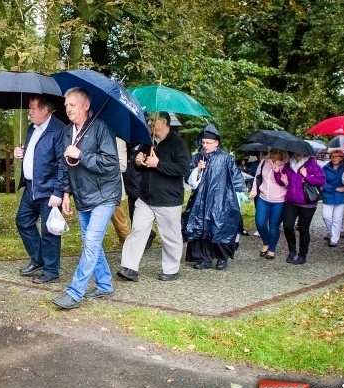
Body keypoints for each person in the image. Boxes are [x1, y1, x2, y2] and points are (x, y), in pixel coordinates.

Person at [52, 87, 121, 309]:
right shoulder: (67, 131)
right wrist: (66, 193)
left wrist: (80, 154)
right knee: (91, 242)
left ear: (86, 106)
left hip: (105, 195)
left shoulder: (101, 128)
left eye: (72, 105)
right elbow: (65, 166)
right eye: (66, 105)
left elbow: (111, 163)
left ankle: (74, 292)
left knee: (91, 242)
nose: (68, 109)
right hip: (82, 194)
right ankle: (104, 284)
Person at [117, 111, 190, 282]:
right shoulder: (148, 141)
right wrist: (138, 162)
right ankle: (129, 267)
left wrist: (158, 164)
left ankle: (171, 269)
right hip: (145, 198)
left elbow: (183, 169)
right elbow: (140, 164)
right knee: (137, 231)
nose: (149, 123)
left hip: (168, 199)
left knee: (170, 236)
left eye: (152, 120)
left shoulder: (177, 144)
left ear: (163, 122)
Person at [13, 96, 65, 284]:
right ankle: (39, 259)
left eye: (32, 108)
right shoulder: (32, 128)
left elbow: (62, 164)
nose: (29, 112)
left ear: (45, 110)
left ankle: (51, 271)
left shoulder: (58, 130)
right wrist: (21, 153)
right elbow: (36, 154)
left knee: (50, 230)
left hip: (49, 189)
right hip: (31, 186)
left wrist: (58, 192)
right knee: (23, 221)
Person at [182, 124, 246, 271]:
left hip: (221, 200)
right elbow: (190, 181)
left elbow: (235, 178)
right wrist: (198, 169)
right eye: (203, 143)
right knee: (201, 228)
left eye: (208, 143)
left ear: (216, 142)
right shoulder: (198, 158)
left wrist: (238, 195)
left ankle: (222, 258)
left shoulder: (226, 158)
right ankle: (204, 258)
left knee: (219, 227)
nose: (205, 146)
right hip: (200, 201)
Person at [281, 150, 326, 265]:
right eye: (296, 151)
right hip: (291, 200)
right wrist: (279, 176)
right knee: (287, 226)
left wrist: (306, 175)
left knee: (303, 229)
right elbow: (281, 180)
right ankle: (292, 251)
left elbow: (321, 181)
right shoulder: (288, 164)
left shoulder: (312, 165)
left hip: (307, 203)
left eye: (300, 152)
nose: (298, 153)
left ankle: (302, 255)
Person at [249, 148, 288, 260]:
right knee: (260, 223)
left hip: (279, 200)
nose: (274, 155)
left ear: (282, 154)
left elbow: (287, 183)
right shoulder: (263, 162)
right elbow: (257, 177)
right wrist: (254, 190)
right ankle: (266, 242)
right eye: (273, 152)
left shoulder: (286, 165)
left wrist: (277, 172)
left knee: (274, 226)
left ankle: (271, 249)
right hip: (263, 198)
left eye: (278, 153)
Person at [320, 149, 344, 248]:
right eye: (332, 157)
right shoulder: (325, 168)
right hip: (328, 195)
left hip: (341, 197)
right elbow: (322, 182)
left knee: (337, 219)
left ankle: (334, 240)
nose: (334, 158)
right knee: (326, 216)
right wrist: (335, 188)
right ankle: (332, 232)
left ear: (341, 158)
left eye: (336, 157)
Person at [110, 137, 132, 245]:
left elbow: (123, 166)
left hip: (113, 189)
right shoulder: (90, 138)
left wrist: (99, 163)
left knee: (121, 226)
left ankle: (130, 252)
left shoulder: (119, 141)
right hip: (93, 190)